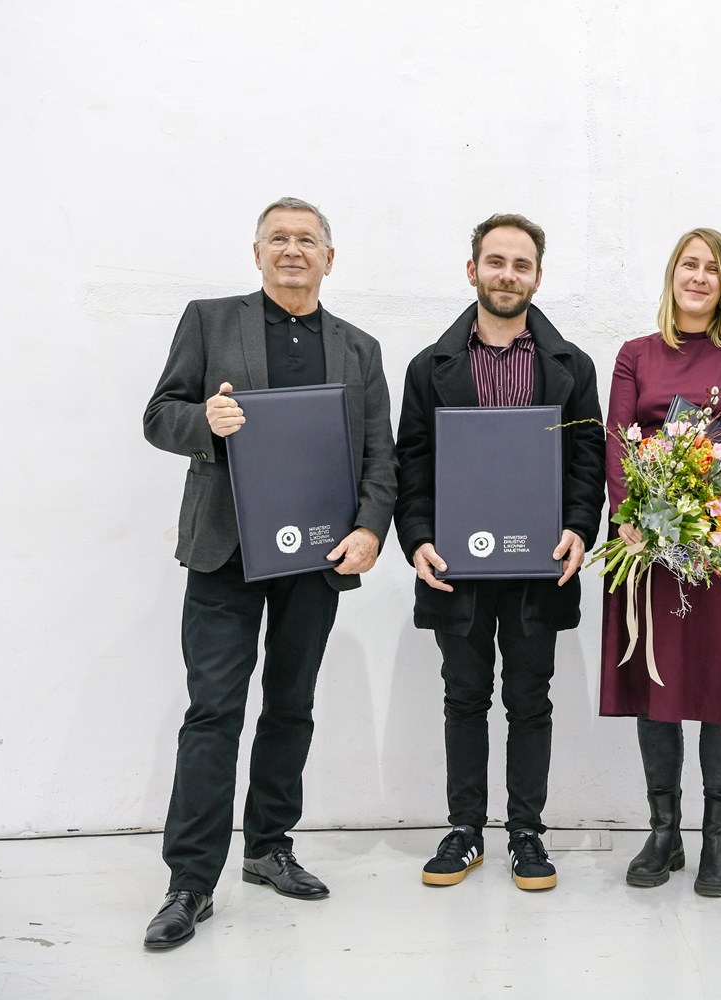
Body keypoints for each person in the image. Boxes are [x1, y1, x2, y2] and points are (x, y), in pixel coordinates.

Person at [140, 197, 397, 948]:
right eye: (277, 238)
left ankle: (268, 848)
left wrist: (370, 530)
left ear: (329, 258)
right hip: (226, 552)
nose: (292, 249)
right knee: (213, 710)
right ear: (257, 253)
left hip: (316, 555)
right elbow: (159, 415)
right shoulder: (208, 321)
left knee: (291, 705)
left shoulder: (359, 348)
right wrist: (205, 422)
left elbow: (379, 454)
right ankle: (190, 881)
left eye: (306, 239)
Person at [394, 213, 603, 891]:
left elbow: (588, 462)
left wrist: (579, 529)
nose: (507, 275)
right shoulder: (429, 367)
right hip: (456, 567)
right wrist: (418, 540)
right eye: (496, 262)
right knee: (463, 698)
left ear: (537, 277)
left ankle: (525, 832)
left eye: (521, 265)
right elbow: (412, 464)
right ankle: (464, 830)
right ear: (473, 270)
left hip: (539, 565)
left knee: (530, 700)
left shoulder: (572, 367)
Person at [599, 228, 721, 897]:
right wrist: (634, 516)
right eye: (689, 265)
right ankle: (664, 833)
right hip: (648, 545)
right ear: (672, 274)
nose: (699, 277)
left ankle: (717, 841)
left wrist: (700, 508)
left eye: (711, 268)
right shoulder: (636, 354)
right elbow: (619, 442)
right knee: (659, 686)